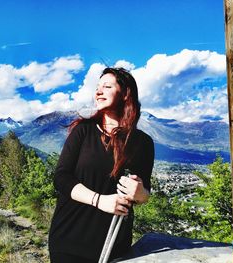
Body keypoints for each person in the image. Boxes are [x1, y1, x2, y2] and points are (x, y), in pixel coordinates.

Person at [48, 67, 155, 263]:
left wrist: (140, 194)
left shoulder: (143, 143)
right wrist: (100, 201)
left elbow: (144, 192)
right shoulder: (83, 130)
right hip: (69, 240)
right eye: (97, 87)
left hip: (114, 245)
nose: (98, 91)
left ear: (125, 94)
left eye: (107, 86)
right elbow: (61, 178)